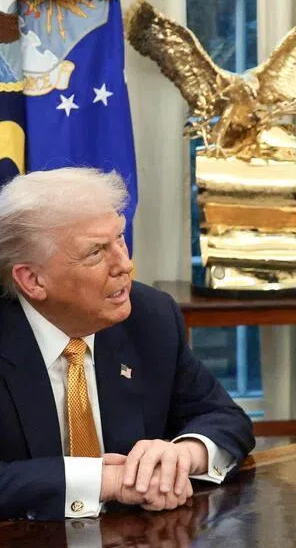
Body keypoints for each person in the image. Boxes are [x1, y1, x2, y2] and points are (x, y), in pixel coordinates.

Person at [0, 168, 254, 521]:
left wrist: (182, 455)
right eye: (96, 252)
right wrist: (106, 480)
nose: (125, 264)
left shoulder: (150, 317)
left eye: (120, 238)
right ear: (32, 279)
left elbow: (224, 417)